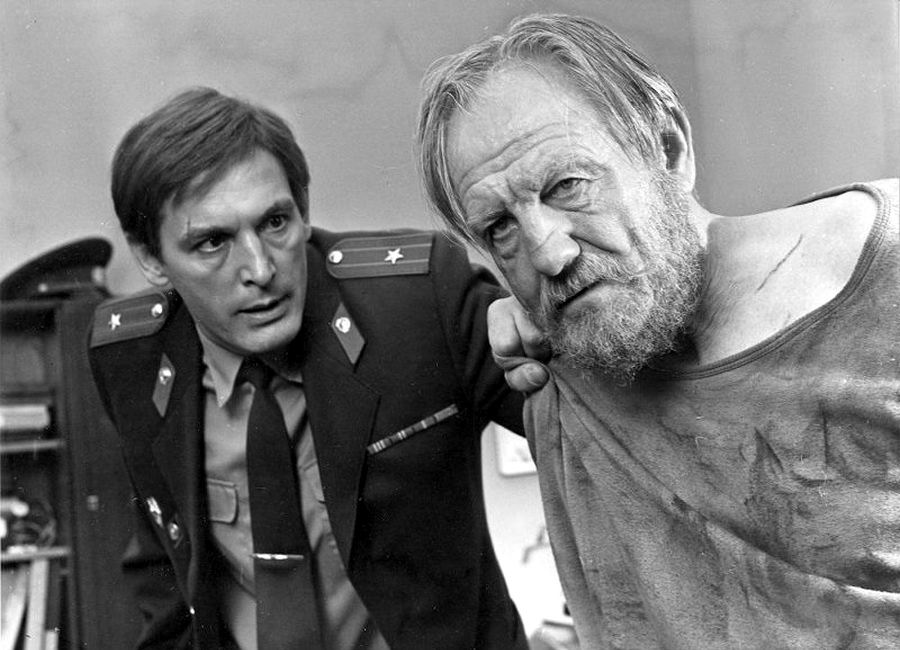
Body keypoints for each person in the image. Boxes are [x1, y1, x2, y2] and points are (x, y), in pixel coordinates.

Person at [417, 12, 900, 648]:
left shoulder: (885, 274)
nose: (548, 254)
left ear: (668, 150)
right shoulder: (558, 369)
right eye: (500, 228)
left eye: (568, 185)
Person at [88, 87, 529, 649]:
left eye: (274, 222)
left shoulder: (420, 302)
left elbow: (588, 425)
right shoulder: (130, 355)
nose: (260, 269)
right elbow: (164, 566)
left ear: (304, 211)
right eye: (213, 242)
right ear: (151, 258)